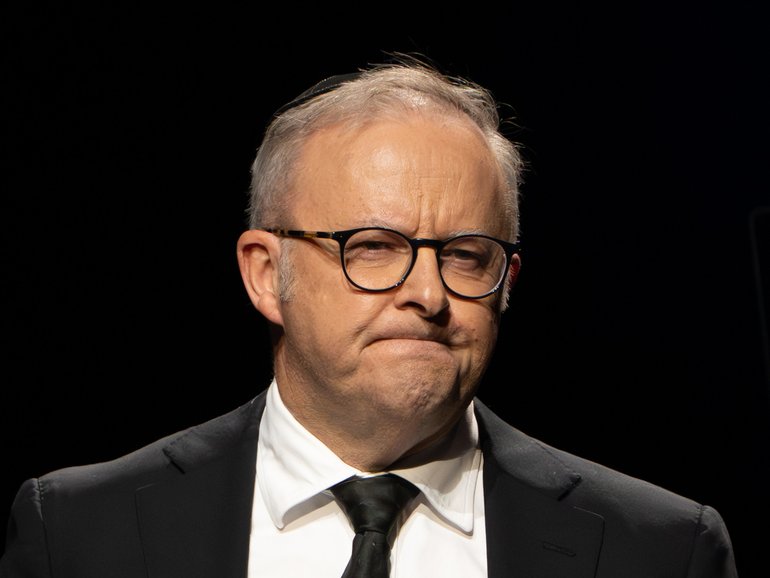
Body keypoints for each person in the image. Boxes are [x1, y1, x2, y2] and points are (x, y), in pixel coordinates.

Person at [0, 58, 738, 577]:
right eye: (375, 247)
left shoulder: (663, 552)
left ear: (507, 282)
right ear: (266, 275)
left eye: (466, 255)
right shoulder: (78, 534)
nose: (429, 294)